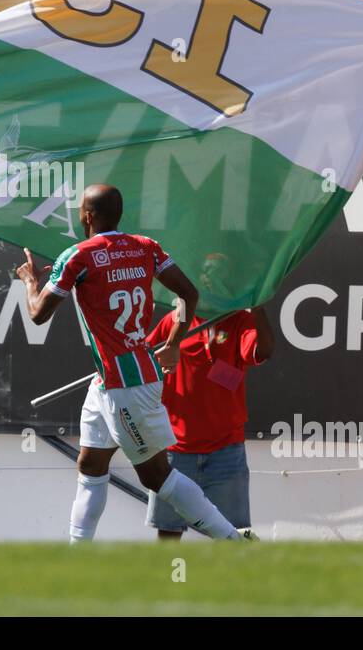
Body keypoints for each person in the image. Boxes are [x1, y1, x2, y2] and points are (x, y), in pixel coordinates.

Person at [17, 184, 250, 542]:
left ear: (88, 216)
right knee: (91, 465)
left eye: (81, 210)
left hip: (126, 385)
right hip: (113, 378)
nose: (80, 215)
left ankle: (235, 540)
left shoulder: (78, 255)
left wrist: (31, 282)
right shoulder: (146, 247)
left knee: (156, 475)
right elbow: (189, 293)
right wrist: (173, 343)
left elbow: (37, 314)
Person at [144, 267, 274, 539]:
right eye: (205, 273)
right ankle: (171, 582)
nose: (210, 280)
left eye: (219, 274)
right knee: (169, 535)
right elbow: (143, 361)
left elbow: (264, 351)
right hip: (175, 448)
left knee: (234, 535)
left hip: (226, 450)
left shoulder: (239, 321)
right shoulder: (174, 320)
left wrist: (258, 309)